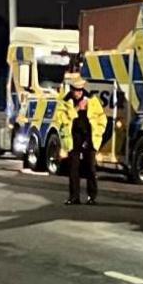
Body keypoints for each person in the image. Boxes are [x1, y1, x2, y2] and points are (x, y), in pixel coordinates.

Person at [54, 75, 106, 206]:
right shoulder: (65, 102)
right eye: (76, 90)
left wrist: (98, 133)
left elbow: (102, 119)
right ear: (71, 90)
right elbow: (61, 120)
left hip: (89, 138)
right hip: (73, 139)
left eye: (80, 90)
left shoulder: (92, 101)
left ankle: (92, 197)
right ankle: (74, 197)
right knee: (73, 169)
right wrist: (76, 110)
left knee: (91, 169)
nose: (78, 93)